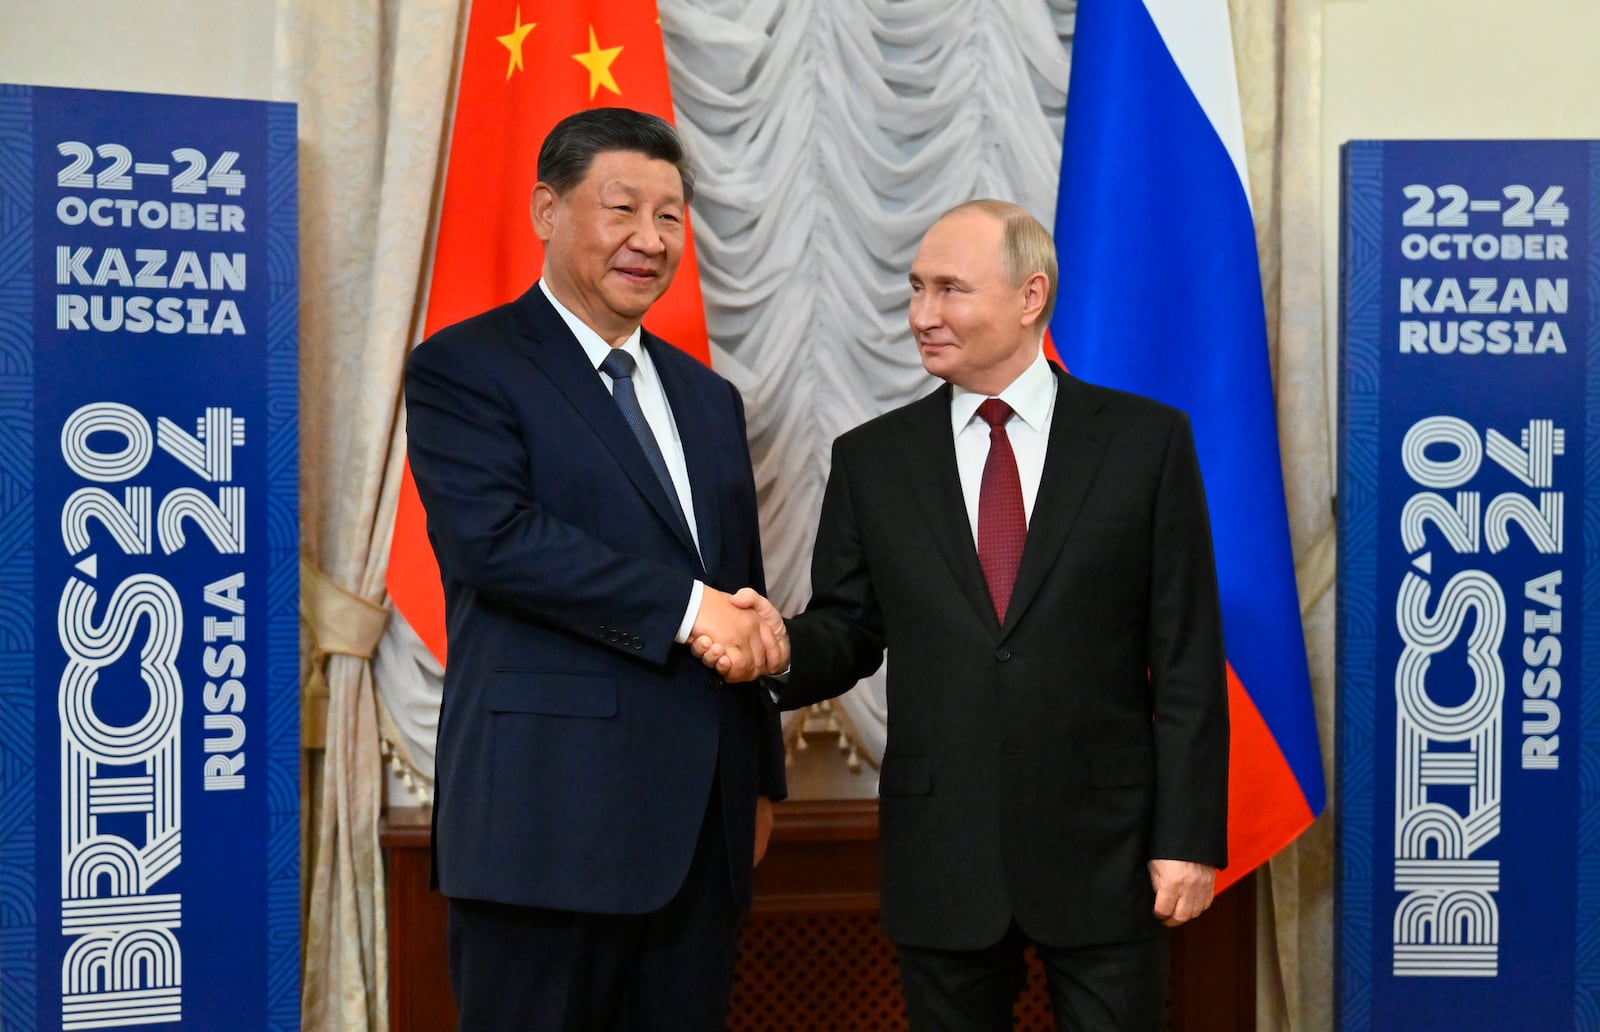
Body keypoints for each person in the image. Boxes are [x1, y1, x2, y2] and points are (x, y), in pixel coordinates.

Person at [700, 199, 1228, 1030]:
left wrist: (1188, 840)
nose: (921, 315)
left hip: (1108, 853)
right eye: (915, 289)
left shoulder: (1144, 443)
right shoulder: (873, 460)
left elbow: (1190, 658)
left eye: (949, 289)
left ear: (1029, 296)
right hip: (944, 854)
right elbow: (849, 630)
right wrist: (774, 649)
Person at [404, 107, 787, 1030]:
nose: (649, 241)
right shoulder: (465, 368)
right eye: (621, 209)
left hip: (701, 831)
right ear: (546, 210)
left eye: (669, 216)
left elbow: (738, 586)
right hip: (546, 825)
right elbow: (496, 541)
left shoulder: (708, 397)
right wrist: (692, 610)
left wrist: (761, 774)